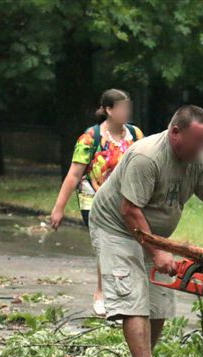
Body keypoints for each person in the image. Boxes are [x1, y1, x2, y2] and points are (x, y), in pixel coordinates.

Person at [88, 105, 203, 357]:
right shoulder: (147, 157)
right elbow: (129, 210)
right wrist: (158, 251)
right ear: (175, 132)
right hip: (117, 227)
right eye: (196, 140)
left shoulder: (200, 161)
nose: (202, 147)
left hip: (153, 233)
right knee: (133, 296)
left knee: (159, 302)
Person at [50, 89, 143, 316]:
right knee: (106, 245)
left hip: (125, 200)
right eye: (121, 107)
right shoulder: (90, 138)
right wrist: (58, 208)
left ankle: (124, 292)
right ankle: (101, 292)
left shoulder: (135, 134)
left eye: (128, 106)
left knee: (126, 246)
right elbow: (73, 175)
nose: (126, 112)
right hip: (94, 199)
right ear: (109, 110)